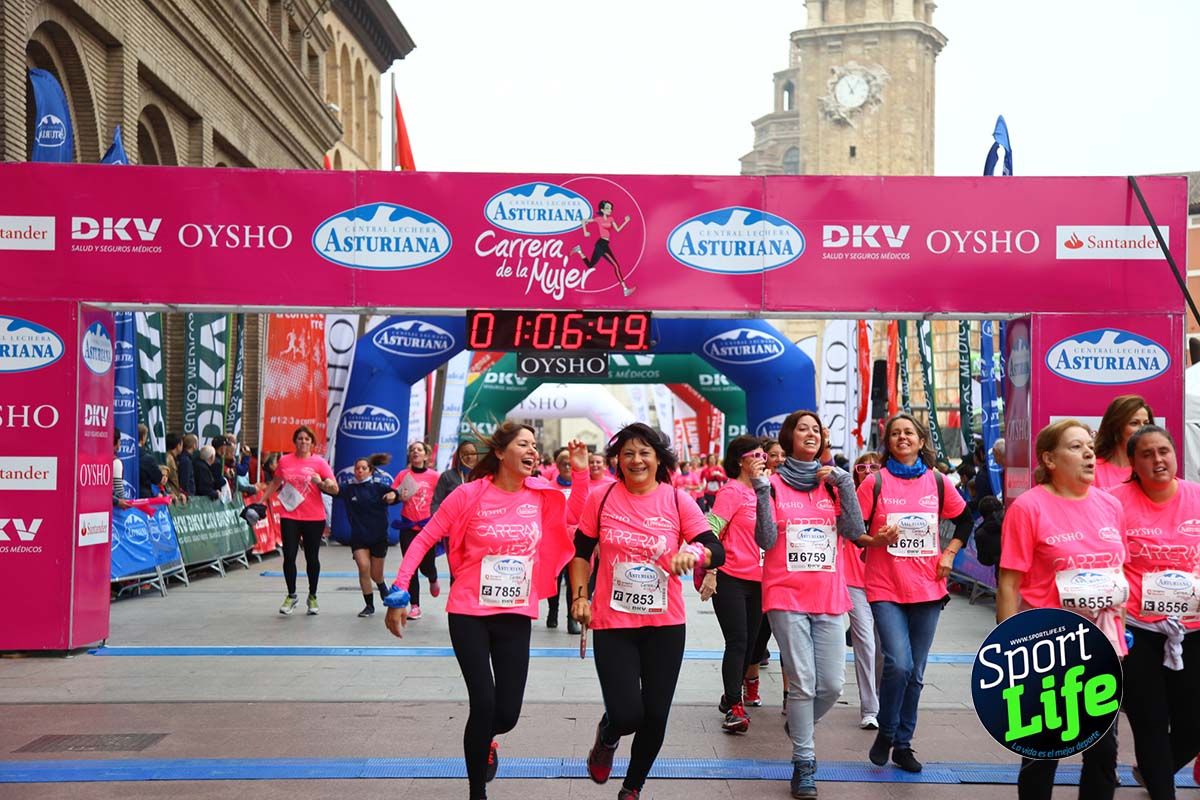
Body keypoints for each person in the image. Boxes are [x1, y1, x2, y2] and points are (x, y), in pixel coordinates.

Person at [384, 425, 589, 800]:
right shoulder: (468, 494)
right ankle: (476, 791)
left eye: (534, 445)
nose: (532, 450)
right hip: (469, 611)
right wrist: (399, 589)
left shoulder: (540, 493)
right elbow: (426, 537)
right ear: (500, 452)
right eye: (523, 444)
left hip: (515, 612)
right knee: (483, 703)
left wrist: (580, 472)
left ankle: (486, 740)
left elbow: (575, 515)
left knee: (507, 714)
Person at [570, 423, 725, 800]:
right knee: (626, 714)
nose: (636, 460)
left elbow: (714, 548)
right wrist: (580, 597)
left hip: (664, 625)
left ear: (658, 459)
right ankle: (608, 736)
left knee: (655, 714)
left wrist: (694, 554)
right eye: (628, 453)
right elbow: (581, 552)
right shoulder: (602, 498)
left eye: (644, 453)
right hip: (613, 622)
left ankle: (632, 787)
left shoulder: (677, 500)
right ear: (617, 461)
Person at [753, 411, 886, 798]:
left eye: (816, 429)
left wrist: (844, 483)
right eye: (802, 429)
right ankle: (804, 762)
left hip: (829, 595)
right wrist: (760, 492)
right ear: (789, 437)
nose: (810, 434)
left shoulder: (834, 483)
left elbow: (855, 532)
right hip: (785, 594)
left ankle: (799, 724)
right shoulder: (772, 485)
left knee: (830, 685)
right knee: (803, 682)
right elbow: (765, 540)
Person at [997, 419, 1127, 800]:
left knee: (1103, 751)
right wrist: (1008, 649)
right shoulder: (1029, 507)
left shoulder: (1110, 505)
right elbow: (1009, 584)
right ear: (1049, 459)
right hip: (1048, 648)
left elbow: (1119, 574)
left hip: (1101, 646)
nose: (1088, 453)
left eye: (1089, 446)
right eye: (1075, 446)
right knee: (1042, 754)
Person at [858, 412, 972, 773]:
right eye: (895, 433)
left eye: (909, 432)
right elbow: (853, 530)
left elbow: (965, 519)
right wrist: (875, 540)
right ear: (888, 442)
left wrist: (949, 553)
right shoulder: (874, 482)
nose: (902, 437)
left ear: (921, 441)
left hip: (928, 587)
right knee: (898, 663)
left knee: (917, 673)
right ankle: (887, 731)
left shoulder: (938, 481)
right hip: (885, 586)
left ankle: (902, 744)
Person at [1109, 425, 1200, 800]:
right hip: (1137, 630)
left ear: (1175, 455)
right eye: (1146, 454)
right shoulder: (1114, 503)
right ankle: (1162, 788)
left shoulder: (1197, 497)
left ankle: (1152, 770)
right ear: (1132, 462)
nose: (1158, 460)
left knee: (1193, 723)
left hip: (1193, 629)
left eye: (1164, 451)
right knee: (1150, 721)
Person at [702, 435, 767, 733]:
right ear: (741, 461)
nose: (762, 460)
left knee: (751, 645)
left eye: (763, 455)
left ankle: (729, 697)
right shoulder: (731, 492)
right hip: (730, 578)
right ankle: (734, 707)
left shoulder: (765, 491)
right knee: (738, 641)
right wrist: (711, 570)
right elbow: (711, 532)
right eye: (756, 455)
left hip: (760, 580)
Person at [261, 426, 339, 616]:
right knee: (289, 556)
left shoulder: (319, 462)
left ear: (312, 443)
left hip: (314, 516)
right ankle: (291, 595)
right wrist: (262, 501)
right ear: (295, 441)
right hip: (290, 515)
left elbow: (335, 488)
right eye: (300, 438)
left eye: (307, 439)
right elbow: (275, 482)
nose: (303, 442)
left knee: (312, 558)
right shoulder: (285, 461)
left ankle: (312, 596)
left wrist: (321, 483)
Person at [846, 452, 882, 730]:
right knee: (866, 645)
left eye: (874, 466)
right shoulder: (848, 501)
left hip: (884, 582)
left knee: (885, 649)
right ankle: (869, 708)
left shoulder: (889, 499)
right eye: (862, 467)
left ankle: (880, 698)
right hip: (854, 582)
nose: (868, 471)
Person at [339, 453, 400, 617]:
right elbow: (334, 490)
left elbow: (396, 495)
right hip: (359, 537)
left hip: (379, 537)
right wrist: (324, 483)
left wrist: (393, 496)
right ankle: (369, 605)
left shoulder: (379, 487)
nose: (359, 471)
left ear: (370, 471)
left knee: (376, 574)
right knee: (363, 567)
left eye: (363, 468)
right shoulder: (348, 488)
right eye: (357, 468)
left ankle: (381, 585)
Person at [391, 442, 442, 620]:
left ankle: (433, 577)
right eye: (412, 450)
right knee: (410, 566)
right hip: (407, 526)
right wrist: (394, 497)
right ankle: (415, 606)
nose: (415, 452)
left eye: (419, 450)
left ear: (426, 456)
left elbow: (442, 499)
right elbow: (393, 493)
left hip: (427, 528)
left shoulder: (435, 477)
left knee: (427, 565)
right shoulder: (403, 475)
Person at [547, 447, 582, 634]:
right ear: (557, 466)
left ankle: (571, 619)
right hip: (555, 543)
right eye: (563, 463)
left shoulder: (581, 487)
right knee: (554, 580)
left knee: (573, 581)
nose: (567, 467)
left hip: (576, 544)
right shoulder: (549, 487)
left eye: (570, 464)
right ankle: (553, 611)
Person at [570, 199, 635, 296]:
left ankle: (579, 251)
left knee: (590, 265)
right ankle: (625, 289)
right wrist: (585, 232)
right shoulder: (598, 219)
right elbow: (583, 220)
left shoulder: (611, 219)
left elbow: (617, 229)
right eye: (607, 208)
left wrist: (626, 221)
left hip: (603, 244)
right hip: (601, 244)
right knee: (616, 266)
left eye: (611, 208)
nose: (610, 210)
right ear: (602, 210)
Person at [1093, 394, 1153, 490]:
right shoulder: (1092, 468)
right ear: (1116, 427)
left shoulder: (1151, 469)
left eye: (1146, 423)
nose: (1143, 429)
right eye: (1134, 423)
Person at [432, 440, 479, 515]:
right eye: (465, 454)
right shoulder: (447, 476)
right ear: (458, 456)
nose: (469, 457)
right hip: (450, 519)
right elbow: (436, 503)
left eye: (473, 453)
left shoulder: (482, 477)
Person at [137, 423, 163, 498]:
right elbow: (157, 478)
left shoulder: (123, 455)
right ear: (143, 438)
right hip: (143, 497)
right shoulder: (148, 458)